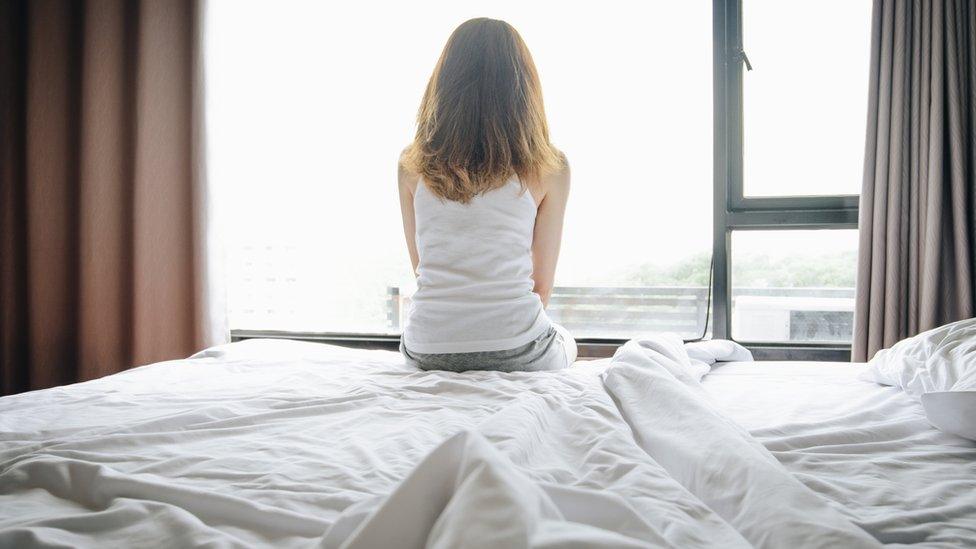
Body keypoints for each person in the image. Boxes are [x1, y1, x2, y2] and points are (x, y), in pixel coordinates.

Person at [397, 17, 576, 372]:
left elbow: (423, 268)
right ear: (523, 89)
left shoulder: (411, 164)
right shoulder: (549, 167)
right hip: (516, 347)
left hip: (426, 347)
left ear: (444, 84)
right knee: (566, 341)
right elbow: (540, 288)